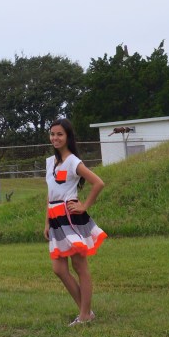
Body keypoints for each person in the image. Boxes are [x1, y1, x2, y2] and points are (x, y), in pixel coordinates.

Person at [44, 117, 107, 325]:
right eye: (53, 134)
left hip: (71, 218)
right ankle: (86, 312)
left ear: (68, 137)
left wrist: (84, 205)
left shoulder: (73, 161)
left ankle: (84, 315)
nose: (55, 138)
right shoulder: (50, 162)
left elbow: (98, 183)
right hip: (55, 219)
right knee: (59, 269)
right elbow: (50, 193)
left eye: (60, 134)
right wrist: (46, 223)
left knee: (80, 267)